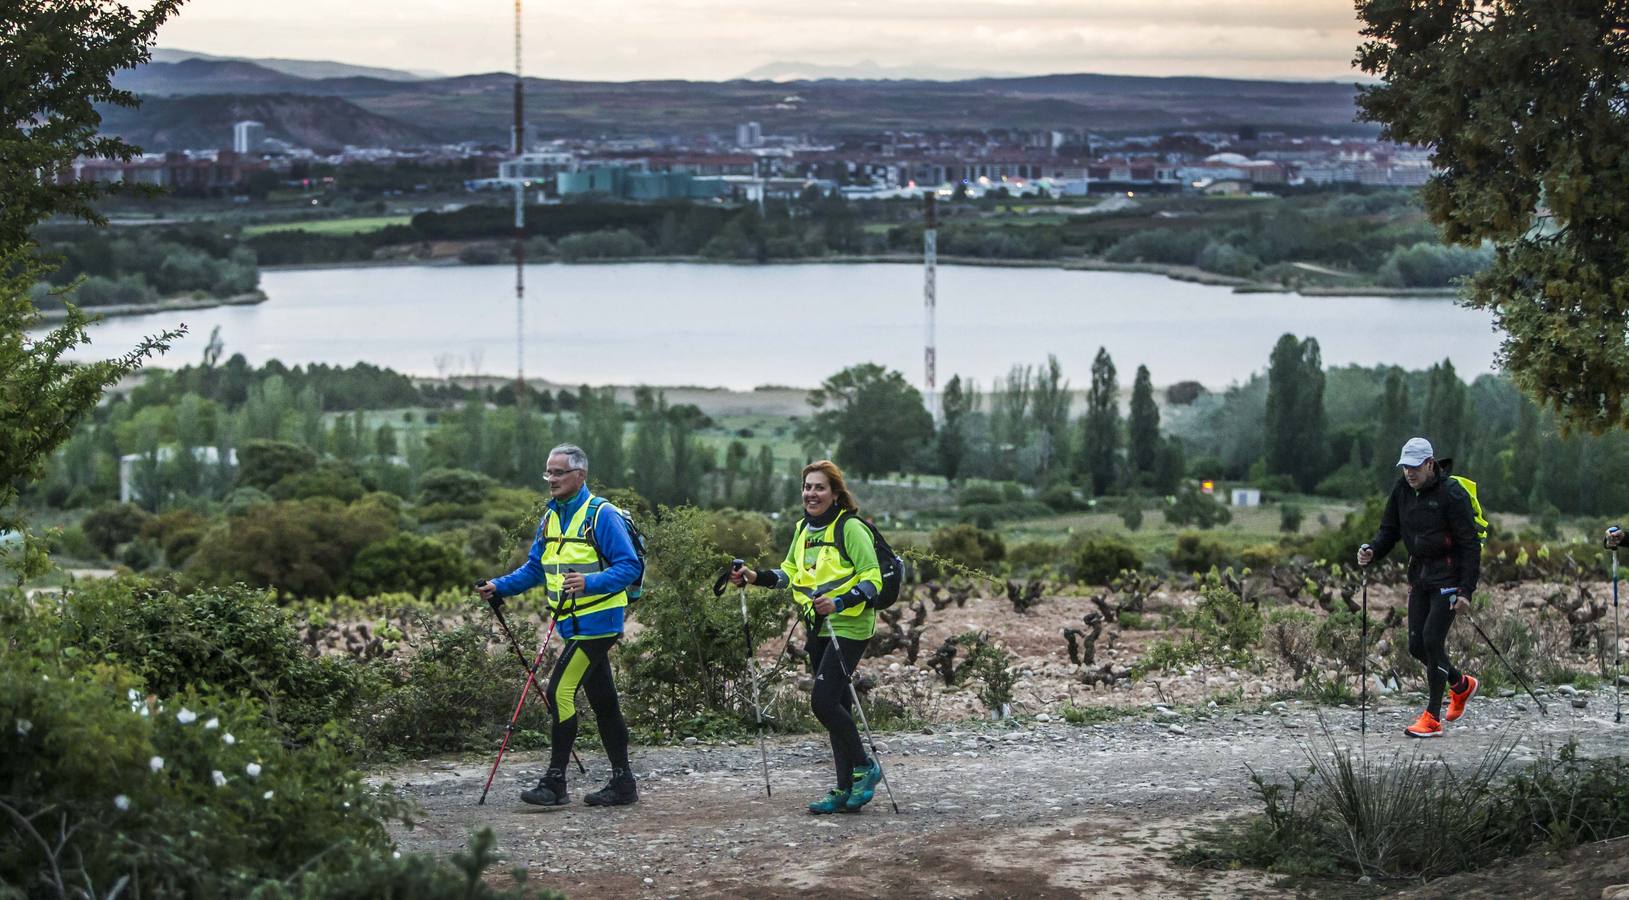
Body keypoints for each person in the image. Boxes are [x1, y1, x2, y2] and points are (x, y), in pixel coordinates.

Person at [477, 444, 642, 807]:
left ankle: (555, 783)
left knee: (559, 692)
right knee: (604, 703)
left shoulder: (602, 515)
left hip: (598, 622)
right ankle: (623, 782)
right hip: (571, 623)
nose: (551, 480)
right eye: (548, 473)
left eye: (558, 473)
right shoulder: (550, 517)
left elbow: (629, 566)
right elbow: (536, 569)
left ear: (579, 475)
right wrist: (499, 586)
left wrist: (590, 583)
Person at [730, 460, 884, 813]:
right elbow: (788, 573)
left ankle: (865, 767)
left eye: (819, 488)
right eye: (807, 487)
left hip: (849, 624)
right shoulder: (803, 529)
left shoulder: (851, 528)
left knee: (823, 702)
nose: (811, 494)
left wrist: (841, 602)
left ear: (835, 493)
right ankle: (846, 790)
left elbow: (873, 579)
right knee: (838, 707)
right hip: (817, 624)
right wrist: (754, 577)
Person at [1357, 437, 1482, 738]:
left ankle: (1432, 718)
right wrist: (1373, 550)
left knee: (1431, 640)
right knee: (1416, 645)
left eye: (1414, 467)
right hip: (1420, 577)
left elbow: (1470, 545)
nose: (1409, 473)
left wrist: (1466, 591)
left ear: (1430, 464)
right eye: (1404, 467)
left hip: (1448, 578)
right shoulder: (1402, 490)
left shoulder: (1452, 494)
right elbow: (1390, 531)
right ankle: (1461, 685)